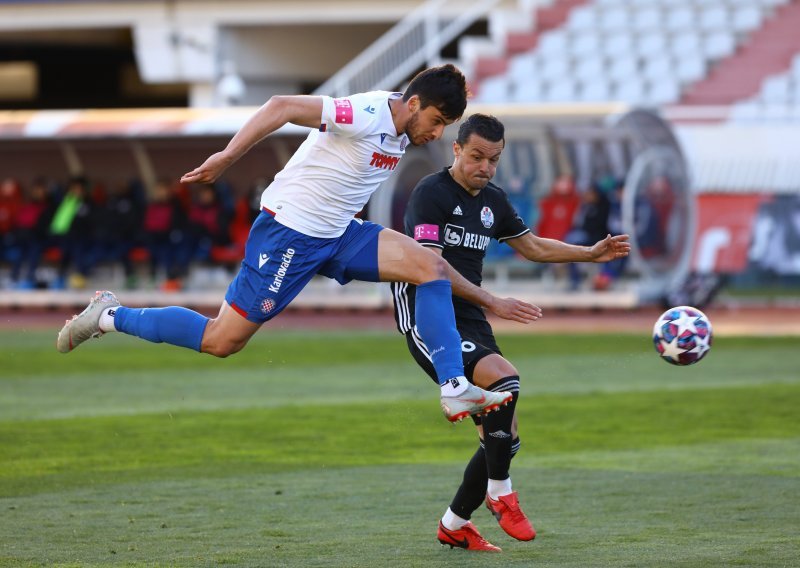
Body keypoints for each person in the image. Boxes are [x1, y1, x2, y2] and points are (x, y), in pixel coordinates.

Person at [56, 64, 540, 422]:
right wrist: (225, 157)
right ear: (413, 105)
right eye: (436, 122)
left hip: (338, 233)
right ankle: (108, 315)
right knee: (222, 340)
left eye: (444, 127)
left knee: (429, 267)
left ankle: (454, 385)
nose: (436, 134)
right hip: (290, 232)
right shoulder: (366, 113)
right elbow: (281, 106)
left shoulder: (403, 120)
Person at [390, 114, 630, 551]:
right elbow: (433, 268)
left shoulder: (493, 201)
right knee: (504, 381)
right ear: (456, 149)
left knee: (504, 434)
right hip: (429, 315)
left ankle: (455, 522)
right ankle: (501, 494)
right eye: (477, 156)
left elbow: (533, 246)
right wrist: (494, 301)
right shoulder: (430, 194)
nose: (485, 167)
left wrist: (589, 254)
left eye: (494, 160)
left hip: (471, 318)